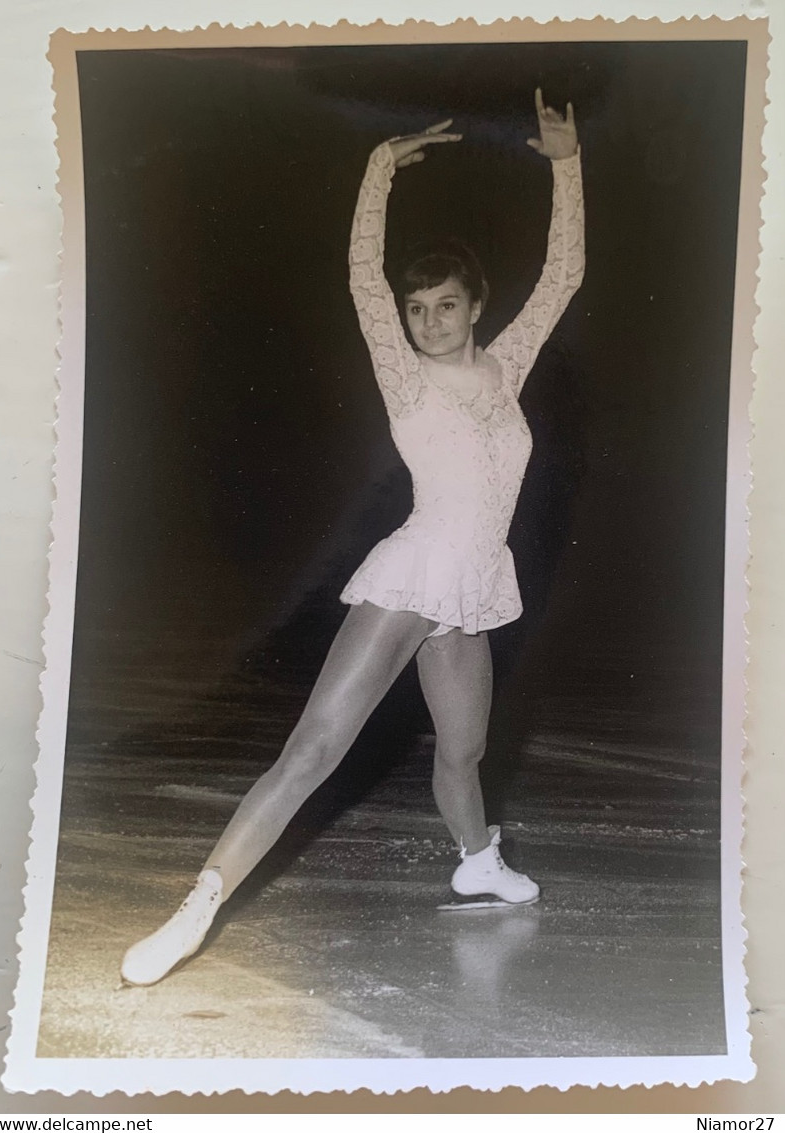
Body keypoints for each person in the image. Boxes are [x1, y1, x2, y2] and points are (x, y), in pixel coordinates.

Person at [120, 88, 584, 987]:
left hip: (474, 585)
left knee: (464, 751)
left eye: (445, 306)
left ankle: (475, 858)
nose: (428, 321)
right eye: (418, 310)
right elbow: (363, 280)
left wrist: (568, 167)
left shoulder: (508, 365)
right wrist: (376, 173)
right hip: (412, 575)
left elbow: (562, 278)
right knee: (312, 752)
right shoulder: (406, 380)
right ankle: (195, 910)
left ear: (475, 307)